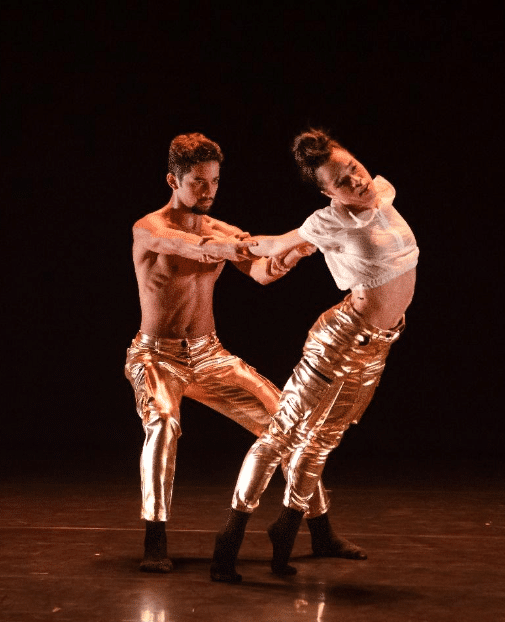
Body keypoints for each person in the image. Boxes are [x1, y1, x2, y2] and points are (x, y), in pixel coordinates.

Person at [125, 132, 365, 573]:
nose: (208, 191)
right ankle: (155, 540)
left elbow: (261, 272)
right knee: (162, 423)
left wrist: (295, 251)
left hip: (209, 354)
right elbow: (191, 247)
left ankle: (321, 529)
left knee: (286, 419)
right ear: (172, 181)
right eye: (198, 182)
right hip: (156, 356)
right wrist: (262, 243)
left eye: (214, 181)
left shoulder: (222, 229)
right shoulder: (150, 228)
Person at [210, 128, 419, 582]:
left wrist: (306, 249)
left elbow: (317, 243)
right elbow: (274, 245)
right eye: (342, 182)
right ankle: (228, 538)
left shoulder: (382, 192)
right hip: (340, 339)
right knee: (281, 434)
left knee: (324, 440)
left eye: (354, 169)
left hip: (377, 346)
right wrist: (231, 247)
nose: (356, 182)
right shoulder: (327, 220)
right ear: (327, 192)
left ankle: (288, 526)